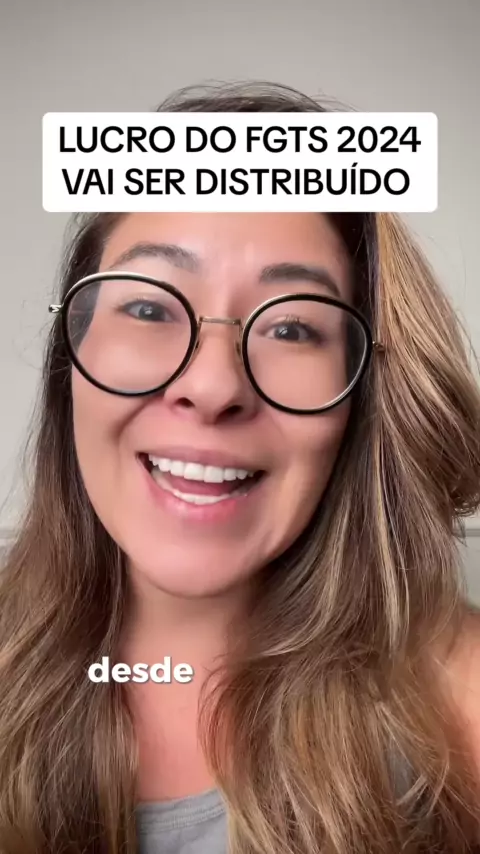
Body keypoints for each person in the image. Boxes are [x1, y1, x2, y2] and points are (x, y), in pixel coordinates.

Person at [0, 82, 480, 854]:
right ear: (72, 360)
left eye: (291, 327)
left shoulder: (458, 707)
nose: (214, 384)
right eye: (149, 308)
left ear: (363, 396)